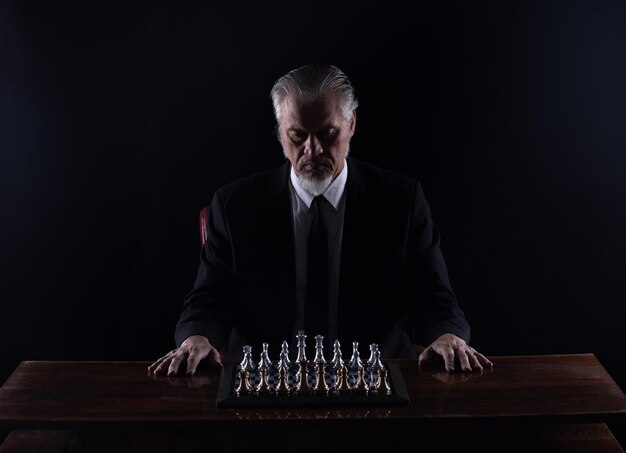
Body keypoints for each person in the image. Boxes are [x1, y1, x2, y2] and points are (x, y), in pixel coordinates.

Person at [149, 64, 492, 377]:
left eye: (327, 134)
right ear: (280, 133)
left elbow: (433, 297)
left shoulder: (401, 201)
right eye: (297, 136)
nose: (312, 150)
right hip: (265, 385)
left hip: (375, 383)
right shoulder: (235, 205)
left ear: (352, 124)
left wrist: (448, 336)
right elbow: (209, 298)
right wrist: (196, 338)